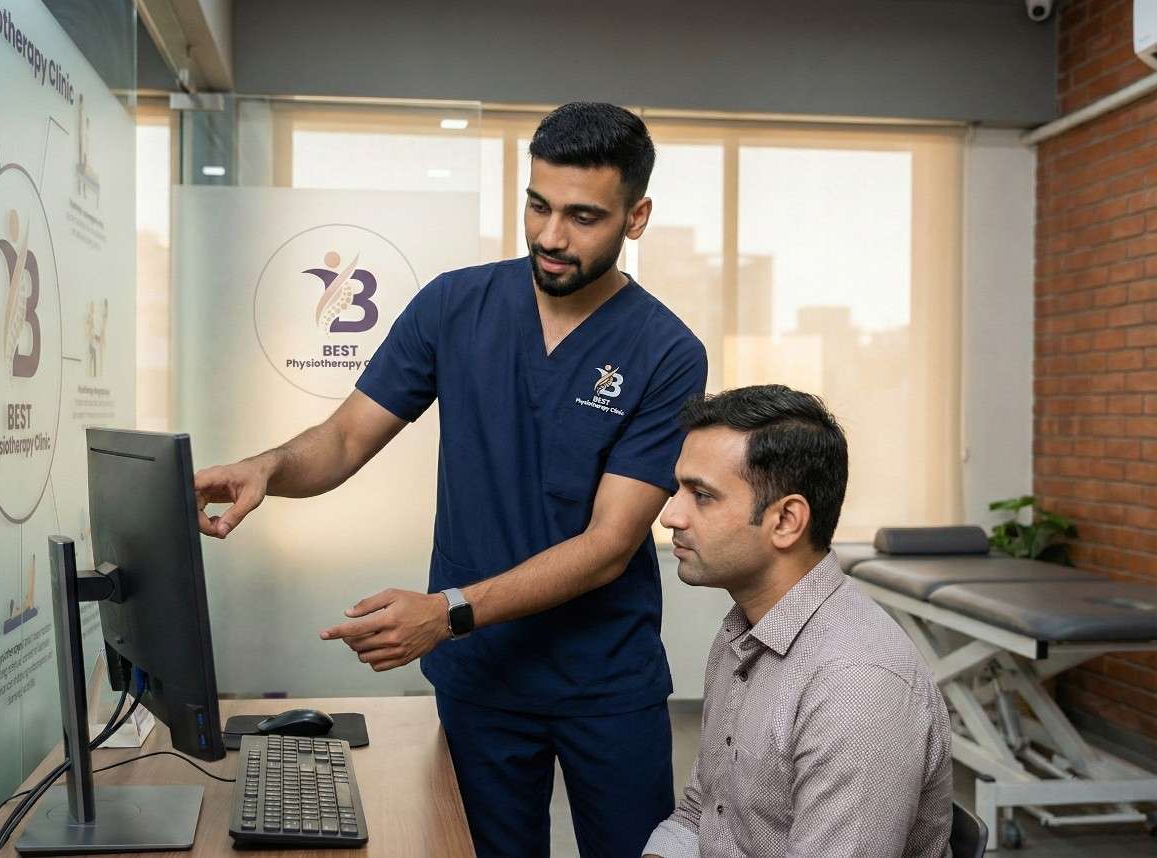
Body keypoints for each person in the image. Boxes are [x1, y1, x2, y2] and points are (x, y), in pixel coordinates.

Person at [195, 103, 708, 857]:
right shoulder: (453, 305)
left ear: (637, 218)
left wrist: (449, 611)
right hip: (483, 681)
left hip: (603, 682)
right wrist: (266, 470)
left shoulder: (667, 351)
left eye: (582, 216)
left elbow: (607, 545)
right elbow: (342, 439)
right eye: (537, 205)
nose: (550, 236)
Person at [642, 385, 953, 858]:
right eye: (678, 489)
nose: (670, 515)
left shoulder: (857, 686)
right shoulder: (742, 631)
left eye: (701, 495)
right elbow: (701, 811)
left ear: (786, 521)